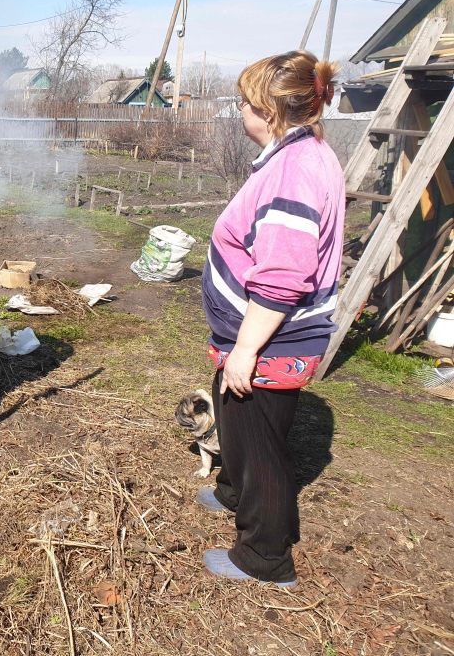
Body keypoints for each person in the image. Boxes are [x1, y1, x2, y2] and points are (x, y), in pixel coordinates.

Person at [197, 51, 343, 588]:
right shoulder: (301, 153)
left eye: (244, 102)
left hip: (270, 338)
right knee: (239, 418)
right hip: (262, 335)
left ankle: (264, 557)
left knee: (261, 449)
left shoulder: (294, 172)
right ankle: (233, 492)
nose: (239, 111)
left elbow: (283, 278)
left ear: (268, 111)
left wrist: (246, 350)